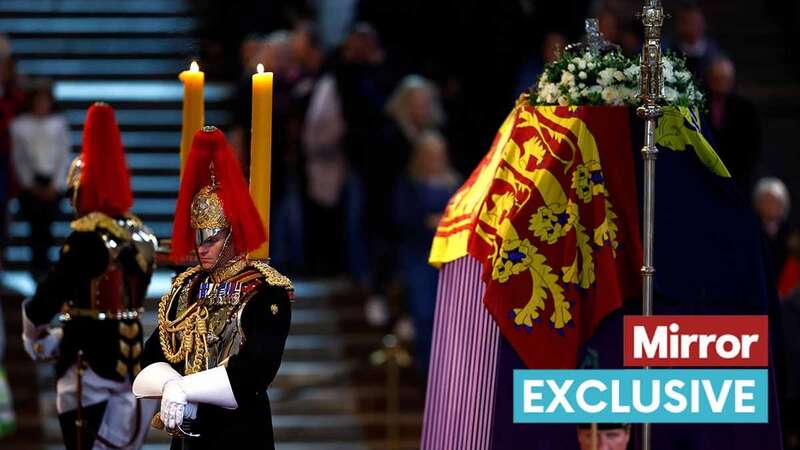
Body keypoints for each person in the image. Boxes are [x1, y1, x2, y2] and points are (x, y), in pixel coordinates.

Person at [134, 126, 293, 450]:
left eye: (212, 239)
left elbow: (254, 372)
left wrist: (184, 389)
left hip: (241, 433)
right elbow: (151, 356)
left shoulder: (265, 292)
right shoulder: (187, 288)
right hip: (188, 434)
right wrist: (173, 386)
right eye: (197, 238)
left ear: (233, 233)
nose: (202, 248)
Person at [20, 102, 158, 450]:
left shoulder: (86, 236)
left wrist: (33, 330)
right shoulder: (138, 232)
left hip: (88, 362)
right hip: (129, 359)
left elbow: (48, 297)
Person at [393, 130, 460, 378]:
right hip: (419, 257)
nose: (436, 159)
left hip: (449, 261)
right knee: (425, 315)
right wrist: (429, 222)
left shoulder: (455, 182)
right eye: (430, 155)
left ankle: (450, 375)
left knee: (450, 319)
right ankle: (428, 373)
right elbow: (402, 219)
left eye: (439, 154)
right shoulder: (409, 184)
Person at [10, 79, 71, 279]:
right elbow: (18, 157)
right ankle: (37, 270)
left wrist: (57, 184)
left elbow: (63, 155)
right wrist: (28, 184)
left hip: (53, 183)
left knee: (47, 229)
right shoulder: (19, 126)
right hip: (30, 185)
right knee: (35, 230)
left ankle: (45, 270)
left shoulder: (59, 124)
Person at [706, 56, 762, 195]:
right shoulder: (698, 105)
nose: (721, 83)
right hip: (705, 177)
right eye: (717, 78)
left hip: (736, 180)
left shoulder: (746, 109)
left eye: (725, 79)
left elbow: (752, 147)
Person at [753, 177, 792, 278]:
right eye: (767, 201)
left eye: (776, 201)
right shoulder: (751, 231)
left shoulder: (790, 234)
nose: (771, 206)